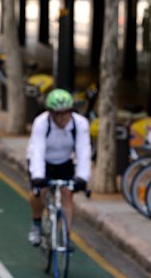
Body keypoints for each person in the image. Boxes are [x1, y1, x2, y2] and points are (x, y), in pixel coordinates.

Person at [26, 88, 92, 246]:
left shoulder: (80, 124)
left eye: (67, 112)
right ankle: (36, 223)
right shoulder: (41, 123)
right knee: (38, 193)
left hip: (65, 161)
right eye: (59, 113)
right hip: (43, 161)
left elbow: (84, 151)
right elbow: (38, 150)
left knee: (67, 193)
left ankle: (65, 237)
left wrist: (82, 178)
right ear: (51, 113)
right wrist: (38, 177)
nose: (64, 118)